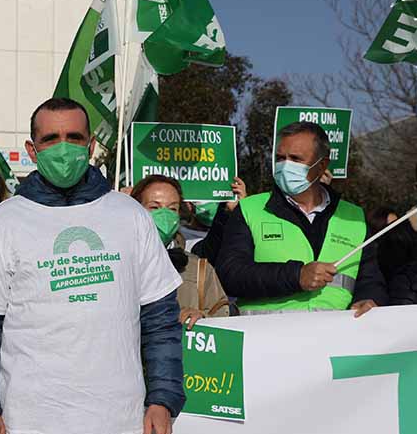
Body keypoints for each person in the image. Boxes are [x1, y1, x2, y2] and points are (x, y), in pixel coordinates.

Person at [0, 98, 184, 434]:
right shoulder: (6, 221)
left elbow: (161, 321)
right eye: (51, 139)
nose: (63, 148)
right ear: (32, 149)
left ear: (91, 144)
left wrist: (164, 399)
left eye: (74, 137)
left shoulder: (130, 215)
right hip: (29, 423)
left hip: (118, 422)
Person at [215, 121, 387, 316]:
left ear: (322, 165)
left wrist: (369, 298)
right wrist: (296, 276)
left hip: (334, 333)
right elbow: (230, 274)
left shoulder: (354, 218)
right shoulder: (250, 209)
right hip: (265, 333)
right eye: (280, 158)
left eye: (295, 159)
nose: (285, 166)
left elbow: (370, 279)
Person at [131, 175, 229, 329]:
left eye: (172, 209)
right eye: (154, 207)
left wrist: (203, 317)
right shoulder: (118, 262)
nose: (164, 215)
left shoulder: (198, 268)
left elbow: (223, 315)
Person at [189, 176, 247, 264]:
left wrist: (242, 210)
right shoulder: (182, 238)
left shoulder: (234, 227)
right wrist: (225, 212)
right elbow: (209, 250)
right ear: (189, 204)